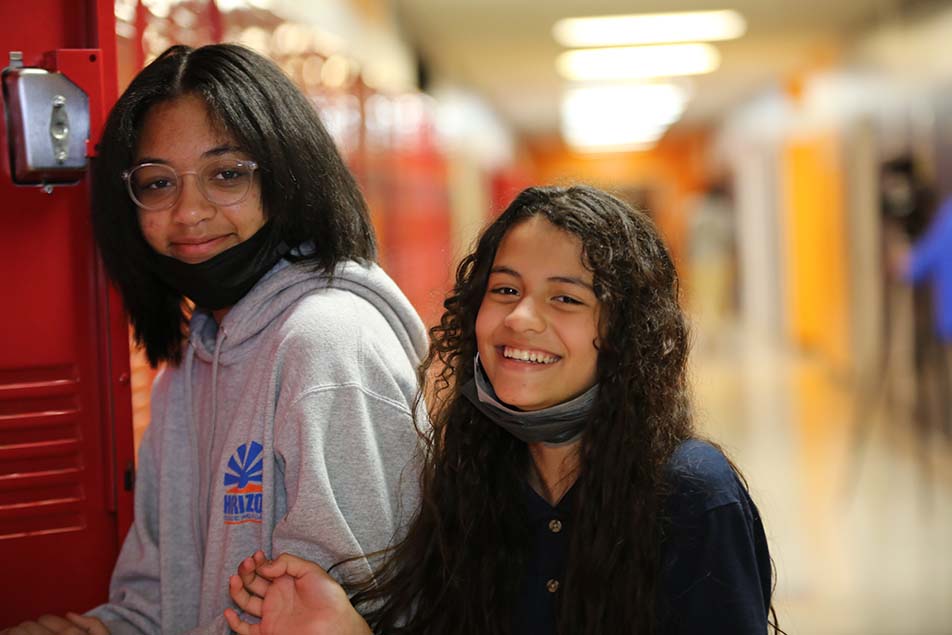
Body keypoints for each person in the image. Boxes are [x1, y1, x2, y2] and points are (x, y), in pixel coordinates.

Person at [1, 43, 426, 635]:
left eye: (226, 174)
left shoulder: (324, 344)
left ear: (286, 176)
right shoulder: (189, 365)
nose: (189, 213)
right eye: (157, 183)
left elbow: (360, 619)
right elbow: (158, 605)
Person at [225, 185, 778, 634]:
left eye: (566, 298)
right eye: (506, 290)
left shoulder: (691, 494)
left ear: (623, 333)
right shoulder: (474, 480)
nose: (520, 319)